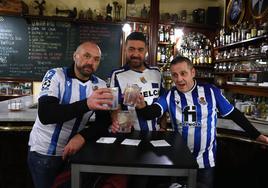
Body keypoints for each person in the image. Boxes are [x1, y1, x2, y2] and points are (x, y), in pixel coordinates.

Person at [128, 56, 268, 188]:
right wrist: (142, 106)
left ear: (193, 72)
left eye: (183, 73)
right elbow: (151, 113)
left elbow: (235, 114)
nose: (179, 79)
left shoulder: (210, 92)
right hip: (179, 160)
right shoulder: (170, 94)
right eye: (175, 75)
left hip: (205, 161)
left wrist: (257, 135)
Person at [27, 41, 114, 188]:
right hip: (45, 154)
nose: (90, 62)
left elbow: (103, 122)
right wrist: (87, 104)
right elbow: (46, 114)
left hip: (75, 153)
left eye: (96, 59)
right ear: (75, 56)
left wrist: (82, 137)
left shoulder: (99, 85)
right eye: (87, 56)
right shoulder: (55, 75)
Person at [110, 31, 166, 132]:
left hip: (156, 133)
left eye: (140, 50)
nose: (136, 54)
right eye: (131, 49)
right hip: (130, 135)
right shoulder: (117, 75)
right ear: (125, 49)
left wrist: (163, 127)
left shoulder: (156, 72)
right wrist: (120, 126)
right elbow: (114, 106)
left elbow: (163, 102)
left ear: (146, 51)